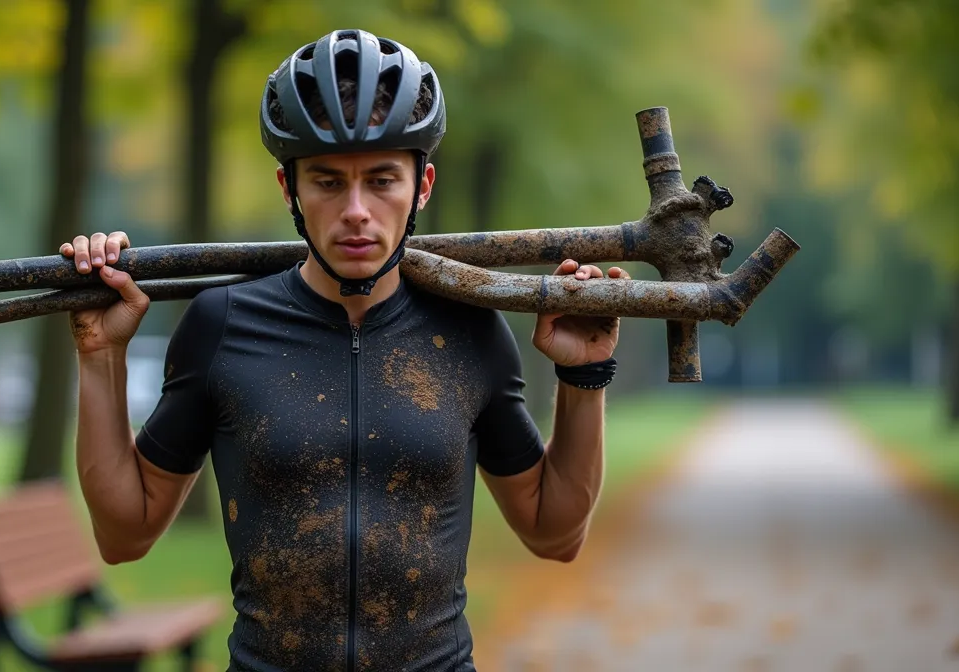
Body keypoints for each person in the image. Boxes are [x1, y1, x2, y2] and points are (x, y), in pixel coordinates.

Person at [62, 29, 630, 672]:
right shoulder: (222, 324)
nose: (356, 211)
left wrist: (585, 376)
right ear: (289, 189)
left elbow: (555, 532)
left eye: (382, 179)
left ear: (423, 185)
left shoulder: (469, 329)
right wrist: (99, 354)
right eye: (328, 182)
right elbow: (124, 533)